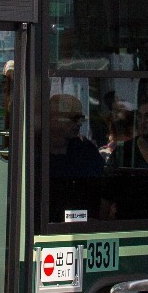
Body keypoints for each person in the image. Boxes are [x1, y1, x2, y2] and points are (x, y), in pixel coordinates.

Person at [46, 93, 104, 222]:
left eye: (81, 119)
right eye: (74, 118)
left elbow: (100, 190)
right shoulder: (34, 152)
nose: (79, 124)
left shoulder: (87, 152)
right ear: (52, 119)